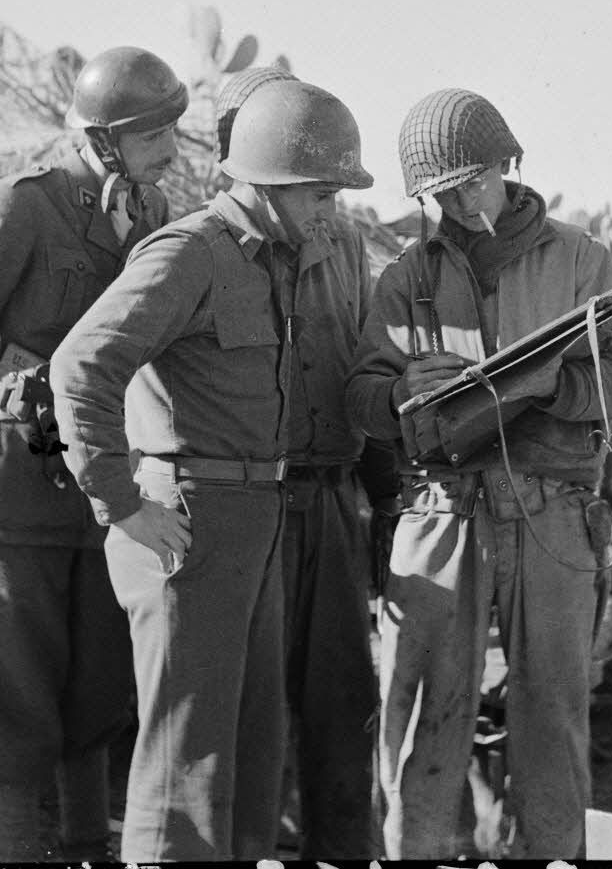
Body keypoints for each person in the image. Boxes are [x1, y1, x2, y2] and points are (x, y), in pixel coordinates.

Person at [48, 79, 376, 862]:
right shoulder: (190, 251)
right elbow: (81, 367)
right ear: (268, 184)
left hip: (253, 519)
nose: (331, 208)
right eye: (320, 192)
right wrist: (121, 504)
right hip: (187, 519)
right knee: (183, 765)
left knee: (249, 753)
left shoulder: (279, 258)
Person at [346, 87, 612, 860]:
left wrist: (546, 383)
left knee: (551, 714)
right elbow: (360, 399)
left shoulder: (580, 259)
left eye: (469, 182)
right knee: (419, 713)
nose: (457, 203)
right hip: (440, 512)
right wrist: (399, 390)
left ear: (506, 166)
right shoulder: (405, 275)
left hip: (552, 513)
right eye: (438, 194)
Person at [0, 45, 188, 862]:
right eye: (150, 137)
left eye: (171, 132)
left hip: (103, 482)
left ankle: (83, 843)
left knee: (95, 684)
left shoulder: (155, 214)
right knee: (11, 691)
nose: (167, 151)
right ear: (103, 141)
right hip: (9, 492)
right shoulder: (24, 206)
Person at [215, 68, 398, 859]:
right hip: (240, 510)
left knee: (339, 708)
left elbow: (365, 370)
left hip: (328, 503)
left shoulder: (343, 241)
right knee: (244, 725)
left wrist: (389, 510)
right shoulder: (207, 250)